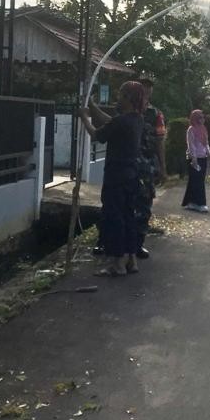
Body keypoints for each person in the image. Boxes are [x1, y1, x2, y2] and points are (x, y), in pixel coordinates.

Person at [79, 81, 146, 276]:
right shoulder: (136, 119)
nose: (118, 98)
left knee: (114, 218)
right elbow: (111, 122)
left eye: (121, 95)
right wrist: (93, 107)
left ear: (128, 98)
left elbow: (98, 135)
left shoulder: (122, 122)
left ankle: (117, 263)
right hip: (131, 175)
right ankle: (131, 259)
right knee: (128, 216)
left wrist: (84, 117)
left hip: (116, 177)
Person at [136, 79, 162, 258]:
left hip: (147, 165)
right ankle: (107, 243)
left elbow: (160, 141)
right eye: (142, 92)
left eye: (148, 93)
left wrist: (163, 166)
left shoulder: (155, 114)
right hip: (125, 164)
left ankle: (138, 243)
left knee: (144, 205)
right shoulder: (123, 110)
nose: (145, 96)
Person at [182, 109, 210, 213]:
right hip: (194, 158)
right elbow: (191, 145)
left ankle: (191, 202)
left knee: (199, 180)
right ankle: (200, 203)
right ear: (195, 118)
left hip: (202, 157)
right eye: (200, 117)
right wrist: (194, 159)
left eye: (203, 117)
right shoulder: (191, 129)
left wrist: (208, 152)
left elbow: (206, 142)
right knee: (197, 181)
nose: (202, 119)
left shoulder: (203, 129)